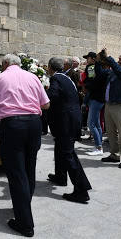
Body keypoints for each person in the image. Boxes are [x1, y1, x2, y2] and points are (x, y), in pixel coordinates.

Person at [0, 54, 50, 237]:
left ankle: (25, 223)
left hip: (13, 125)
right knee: (29, 168)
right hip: (33, 124)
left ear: (6, 64)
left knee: (16, 172)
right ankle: (24, 205)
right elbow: (46, 104)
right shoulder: (32, 77)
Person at [45, 57, 92, 203]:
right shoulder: (66, 78)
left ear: (50, 68)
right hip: (70, 119)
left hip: (65, 121)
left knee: (68, 153)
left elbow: (51, 97)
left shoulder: (56, 79)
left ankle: (81, 189)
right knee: (60, 148)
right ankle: (60, 176)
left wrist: (41, 93)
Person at [97, 49, 121, 168]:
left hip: (120, 106)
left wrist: (109, 58)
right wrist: (98, 61)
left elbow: (119, 72)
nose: (119, 57)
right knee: (111, 132)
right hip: (109, 104)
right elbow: (101, 74)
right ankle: (114, 154)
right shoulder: (115, 70)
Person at [83, 52, 108, 156]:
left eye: (87, 58)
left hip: (96, 98)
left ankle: (99, 147)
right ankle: (98, 145)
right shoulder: (98, 68)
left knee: (91, 124)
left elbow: (94, 81)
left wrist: (87, 84)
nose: (86, 60)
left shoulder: (94, 67)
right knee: (96, 123)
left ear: (93, 59)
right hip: (98, 98)